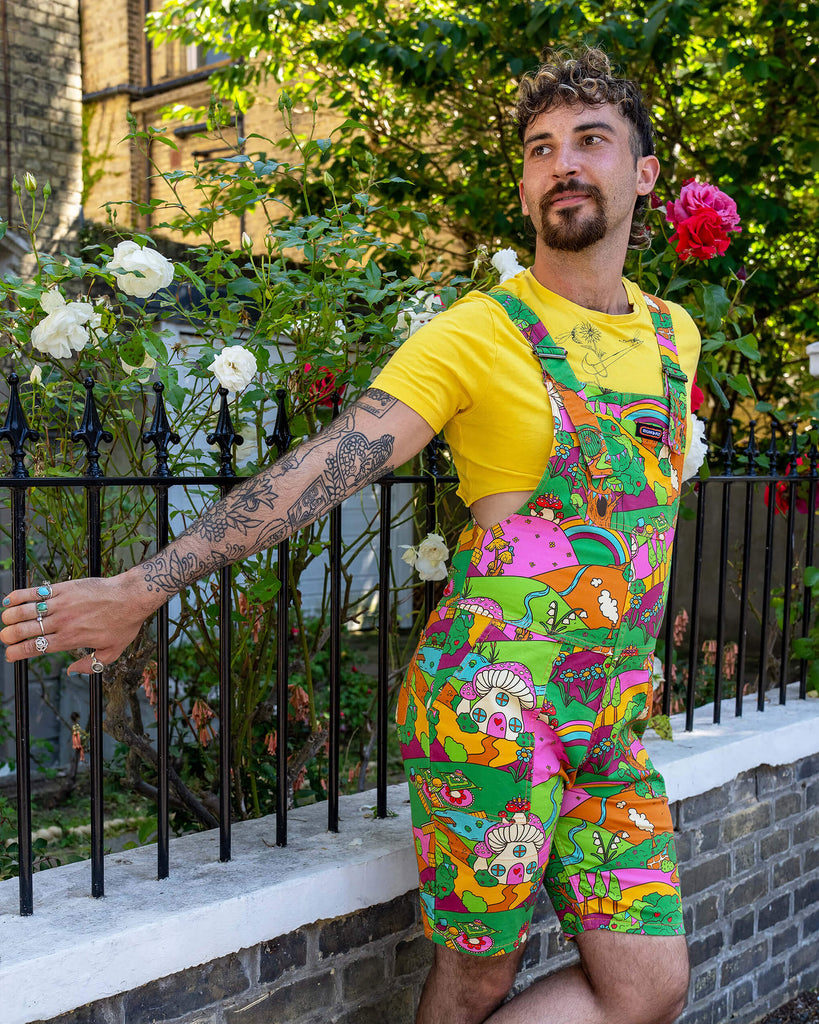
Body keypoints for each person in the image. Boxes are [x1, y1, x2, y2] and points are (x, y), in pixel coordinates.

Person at [2, 48, 697, 1024]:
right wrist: (147, 583)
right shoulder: (479, 333)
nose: (562, 164)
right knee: (478, 976)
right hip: (497, 712)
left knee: (650, 985)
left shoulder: (675, 339)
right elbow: (329, 462)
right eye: (542, 148)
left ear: (645, 170)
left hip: (612, 722)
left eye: (591, 140)